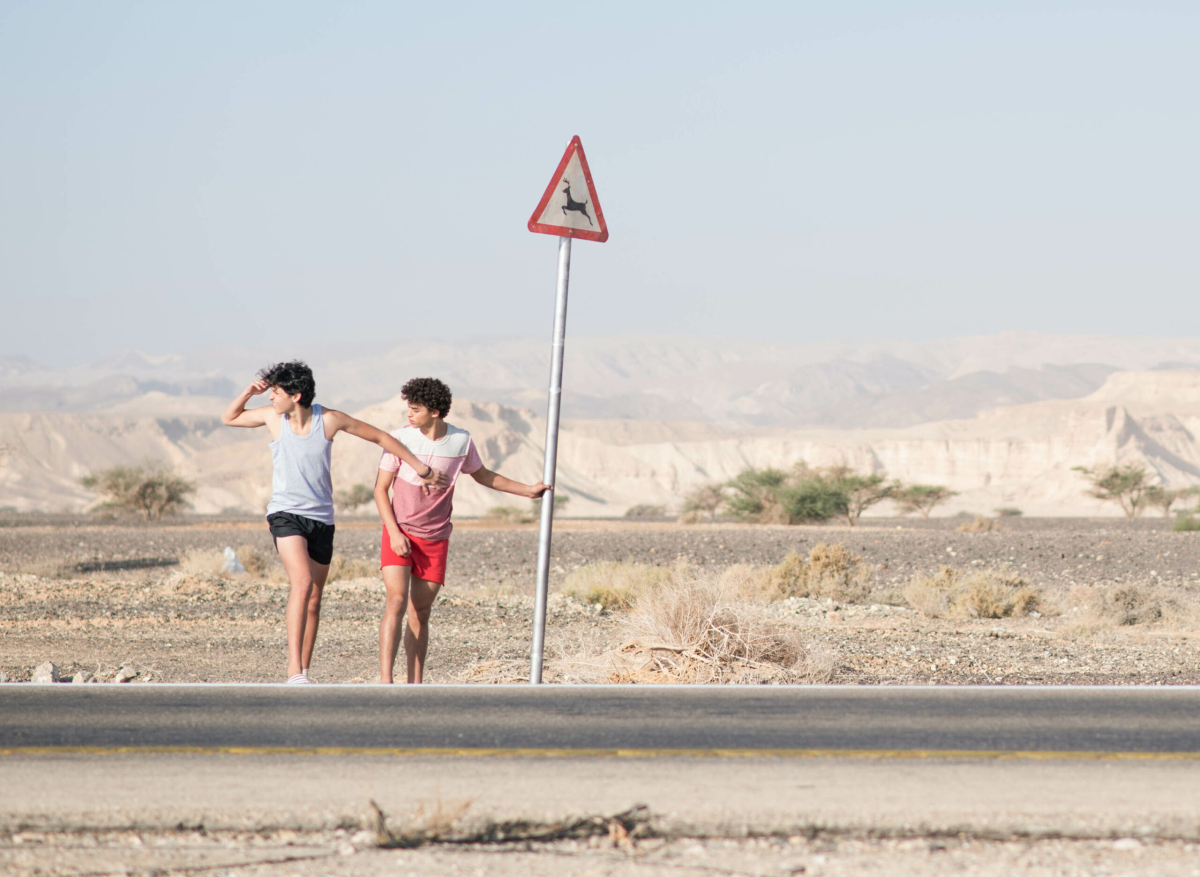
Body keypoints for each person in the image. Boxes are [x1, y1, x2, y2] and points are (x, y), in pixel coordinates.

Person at [222, 361, 449, 684]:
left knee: (314, 597)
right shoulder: (273, 418)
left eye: (276, 392)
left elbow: (381, 438)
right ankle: (293, 672)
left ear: (296, 395)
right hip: (285, 514)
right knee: (300, 583)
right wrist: (248, 391)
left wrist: (420, 467)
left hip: (322, 519)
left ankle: (305, 670)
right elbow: (228, 418)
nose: (271, 398)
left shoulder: (328, 420)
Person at [375, 377, 548, 684]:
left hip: (435, 537)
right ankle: (385, 681)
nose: (409, 414)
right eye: (408, 408)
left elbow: (483, 476)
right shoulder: (399, 439)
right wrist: (395, 531)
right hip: (399, 531)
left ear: (436, 411)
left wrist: (528, 491)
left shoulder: (460, 441)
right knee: (397, 601)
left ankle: (415, 685)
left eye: (415, 409)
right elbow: (380, 490)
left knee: (421, 612)